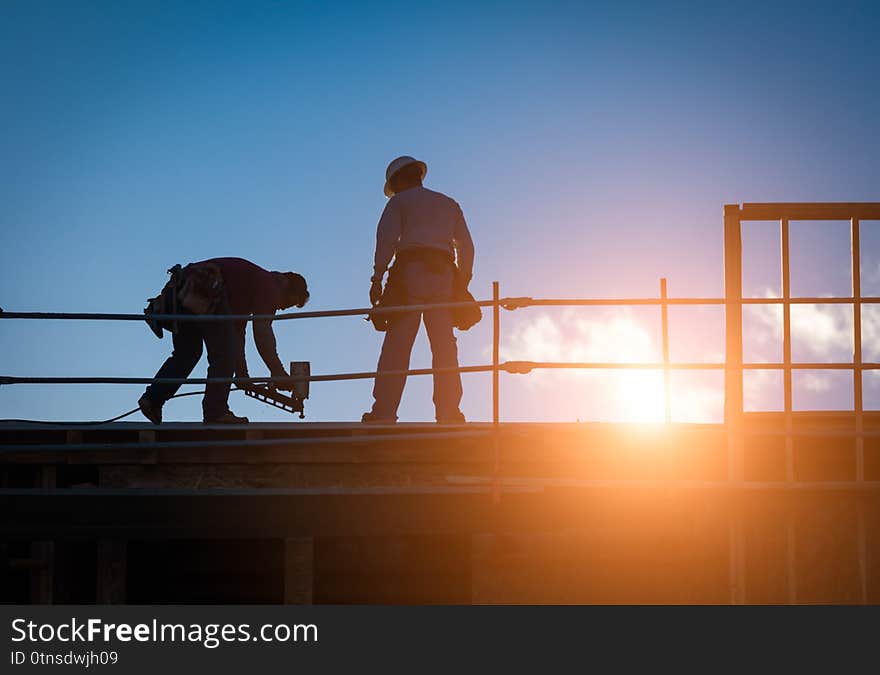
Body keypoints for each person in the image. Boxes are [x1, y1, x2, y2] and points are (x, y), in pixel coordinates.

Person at [363, 155, 475, 424]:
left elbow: (386, 240)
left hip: (409, 275)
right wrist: (462, 282)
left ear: (399, 180)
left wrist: (377, 279)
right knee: (445, 347)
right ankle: (449, 413)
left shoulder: (399, 202)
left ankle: (383, 413)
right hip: (444, 276)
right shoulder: (449, 204)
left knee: (397, 346)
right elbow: (467, 247)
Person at [138, 257, 309, 424]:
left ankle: (153, 399)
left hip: (186, 288)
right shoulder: (270, 285)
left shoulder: (248, 287)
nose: (281, 307)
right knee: (223, 355)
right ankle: (215, 412)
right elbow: (262, 333)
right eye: (288, 302)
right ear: (286, 285)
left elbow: (237, 334)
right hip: (207, 287)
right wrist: (277, 372)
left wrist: (242, 374)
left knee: (187, 354)